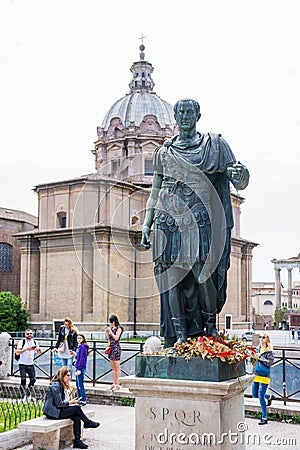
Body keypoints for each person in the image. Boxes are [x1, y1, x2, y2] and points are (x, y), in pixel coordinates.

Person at [141, 98, 249, 347]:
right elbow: (155, 191)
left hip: (200, 219)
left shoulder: (214, 145)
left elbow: (239, 180)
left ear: (198, 115)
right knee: (172, 279)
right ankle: (178, 336)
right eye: (181, 112)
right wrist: (147, 224)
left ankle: (209, 328)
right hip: (167, 221)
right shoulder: (164, 152)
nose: (185, 116)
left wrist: (239, 175)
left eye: (190, 112)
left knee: (203, 275)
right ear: (175, 117)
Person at [43, 366, 99, 449]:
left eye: (69, 375)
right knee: (76, 408)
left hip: (57, 410)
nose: (69, 377)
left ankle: (77, 441)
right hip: (52, 412)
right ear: (62, 376)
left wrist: (71, 401)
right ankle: (87, 422)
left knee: (77, 417)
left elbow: (61, 402)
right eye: (67, 375)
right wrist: (71, 402)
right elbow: (59, 404)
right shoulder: (56, 385)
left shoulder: (61, 385)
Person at [251, 332, 274, 425]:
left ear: (267, 339)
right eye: (260, 337)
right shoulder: (257, 349)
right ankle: (269, 397)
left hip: (264, 375)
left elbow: (270, 362)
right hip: (256, 374)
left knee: (260, 395)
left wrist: (260, 357)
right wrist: (252, 356)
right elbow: (253, 361)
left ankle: (264, 417)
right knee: (254, 394)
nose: (261, 339)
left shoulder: (269, 351)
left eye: (263, 337)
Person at [16, 328, 42, 401]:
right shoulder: (22, 341)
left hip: (31, 364)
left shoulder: (35, 342)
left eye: (31, 333)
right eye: (28, 334)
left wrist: (38, 349)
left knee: (33, 380)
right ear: (25, 334)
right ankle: (22, 396)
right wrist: (27, 349)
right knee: (23, 380)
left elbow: (40, 353)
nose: (29, 335)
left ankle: (28, 394)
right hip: (22, 363)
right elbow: (17, 352)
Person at [105, 315, 123, 391]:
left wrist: (111, 331)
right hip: (111, 348)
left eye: (111, 322)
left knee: (117, 367)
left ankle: (118, 384)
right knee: (113, 368)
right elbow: (109, 339)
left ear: (114, 321)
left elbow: (116, 338)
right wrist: (107, 333)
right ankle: (114, 383)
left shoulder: (119, 328)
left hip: (116, 348)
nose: (111, 324)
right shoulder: (112, 329)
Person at [75, 334, 89, 406]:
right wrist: (75, 356)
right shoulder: (80, 347)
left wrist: (79, 369)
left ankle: (83, 400)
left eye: (80, 338)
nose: (79, 340)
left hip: (80, 367)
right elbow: (79, 357)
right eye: (78, 338)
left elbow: (82, 359)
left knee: (80, 384)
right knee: (77, 384)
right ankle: (79, 399)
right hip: (78, 366)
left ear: (83, 339)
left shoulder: (83, 347)